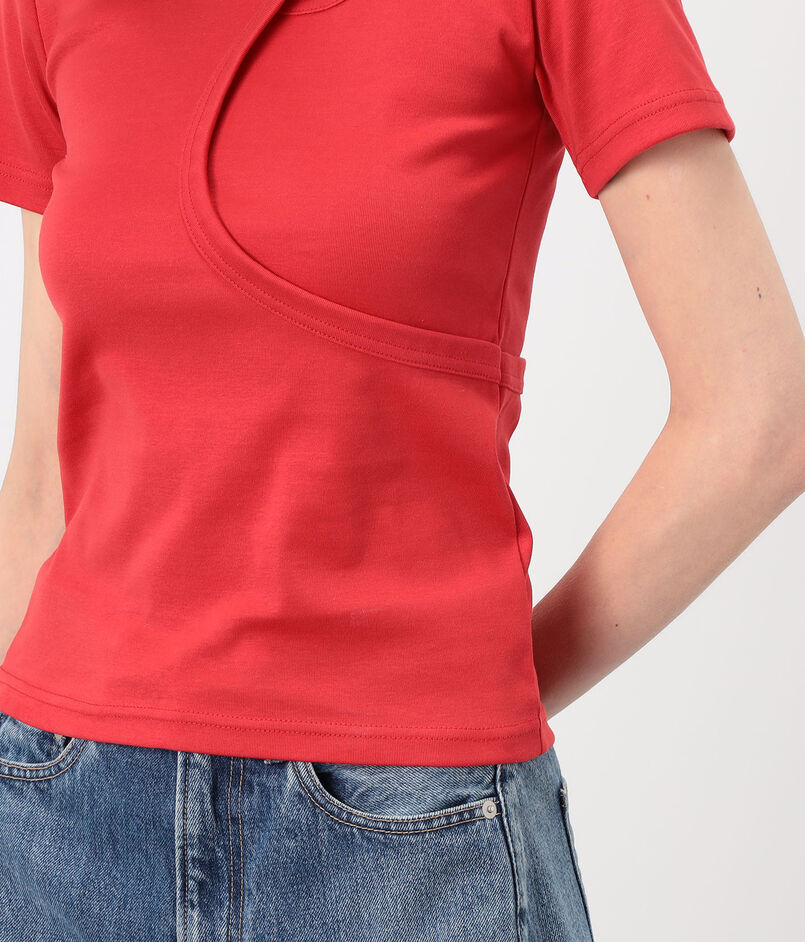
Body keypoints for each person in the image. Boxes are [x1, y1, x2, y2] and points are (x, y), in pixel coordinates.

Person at [0, 0, 802, 939]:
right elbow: (42, 474)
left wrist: (485, 688)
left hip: (411, 831)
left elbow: (762, 414)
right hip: (59, 810)